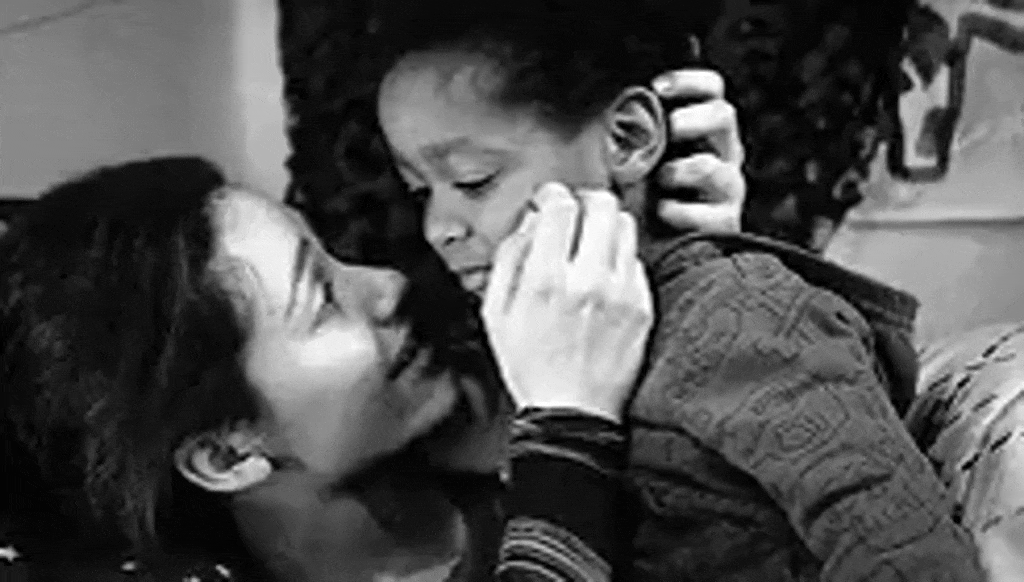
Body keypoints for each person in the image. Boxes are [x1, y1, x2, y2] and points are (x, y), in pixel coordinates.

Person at [373, 0, 987, 579]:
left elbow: (903, 550)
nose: (439, 228)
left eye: (473, 181)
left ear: (628, 137)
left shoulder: (744, 317)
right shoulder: (536, 364)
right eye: (421, 193)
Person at [0, 154, 725, 582]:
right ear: (227, 454)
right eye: (322, 300)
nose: (386, 284)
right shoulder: (561, 429)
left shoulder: (501, 408)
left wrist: (706, 279)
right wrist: (569, 427)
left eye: (334, 253)